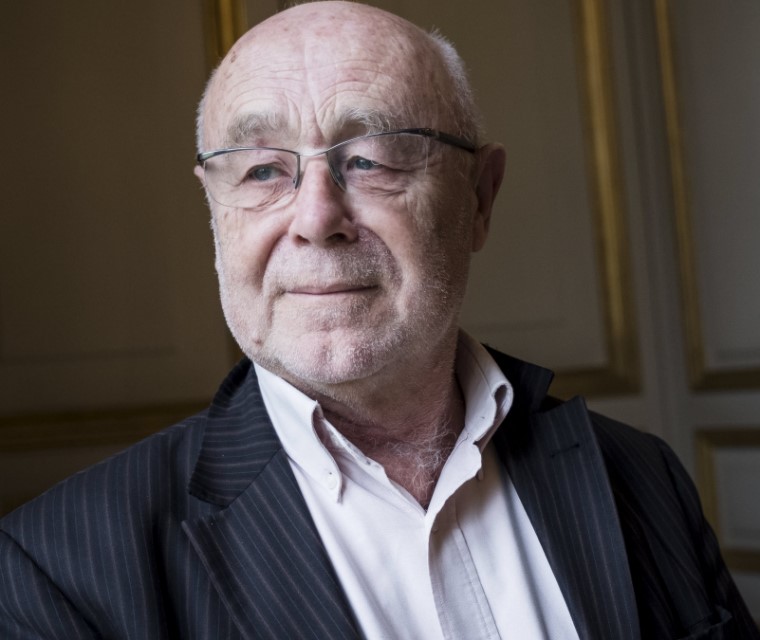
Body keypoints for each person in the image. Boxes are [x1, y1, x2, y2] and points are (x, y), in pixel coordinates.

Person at [1, 1, 757, 638]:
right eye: (262, 170)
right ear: (215, 211)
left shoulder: (642, 476)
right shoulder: (60, 569)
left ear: (479, 199)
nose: (315, 219)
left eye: (370, 160)